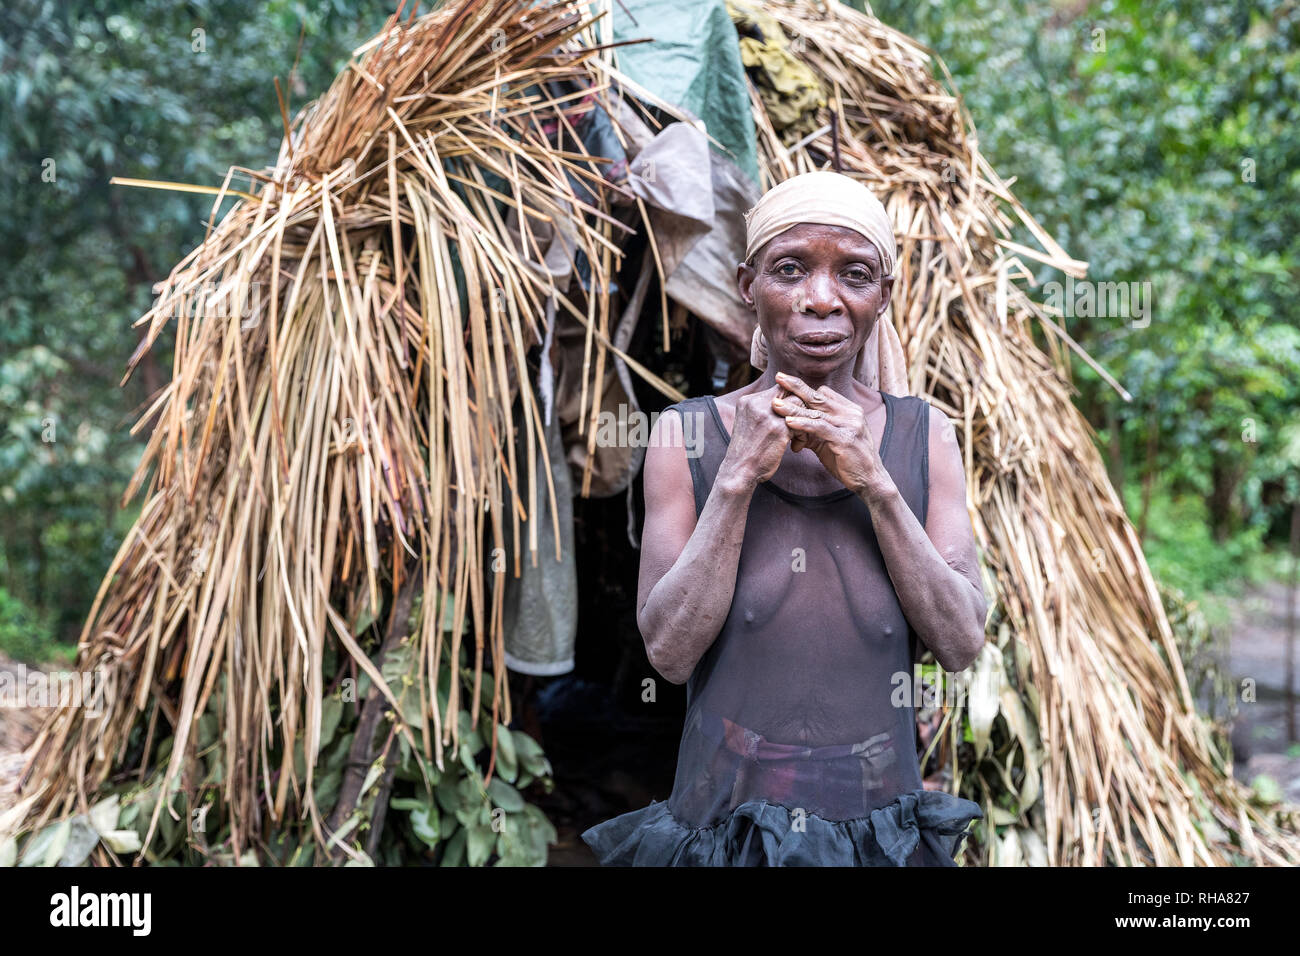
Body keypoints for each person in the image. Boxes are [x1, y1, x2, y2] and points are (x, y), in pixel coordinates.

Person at [581, 170, 988, 866]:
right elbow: (670, 656)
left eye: (853, 274)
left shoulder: (928, 438)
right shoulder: (688, 438)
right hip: (723, 835)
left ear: (882, 297)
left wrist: (878, 485)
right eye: (790, 269)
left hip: (879, 838)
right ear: (748, 285)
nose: (820, 299)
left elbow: (958, 642)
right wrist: (737, 478)